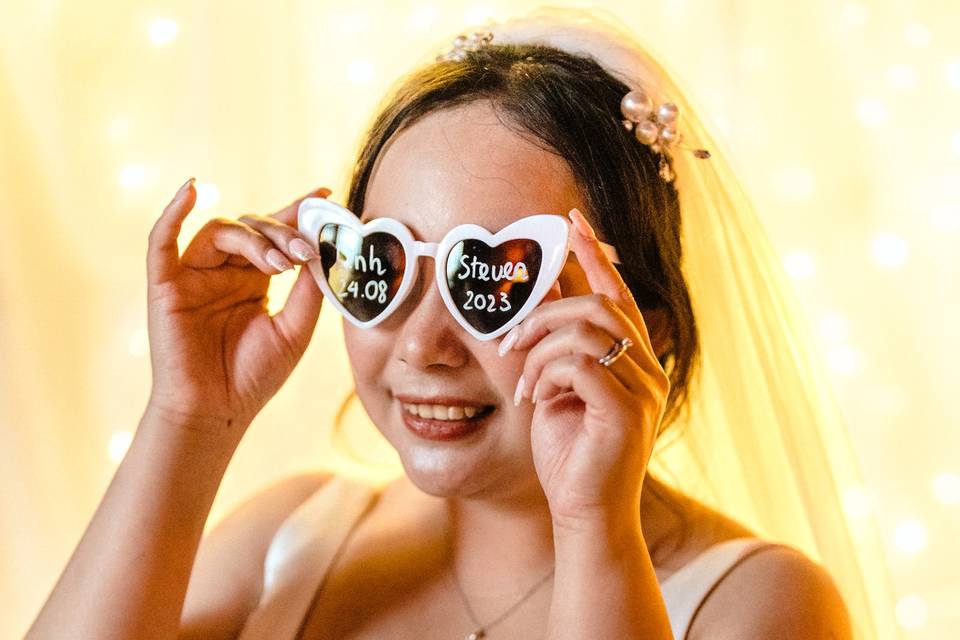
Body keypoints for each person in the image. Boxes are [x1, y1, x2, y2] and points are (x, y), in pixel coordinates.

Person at [27, 6, 894, 640]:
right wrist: (187, 422)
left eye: (493, 280)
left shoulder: (764, 603)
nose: (423, 345)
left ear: (647, 331)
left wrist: (594, 527)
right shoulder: (289, 537)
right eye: (381, 266)